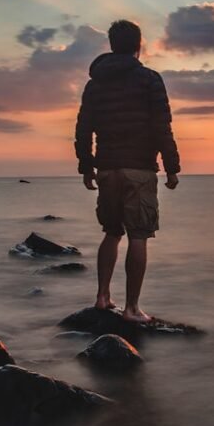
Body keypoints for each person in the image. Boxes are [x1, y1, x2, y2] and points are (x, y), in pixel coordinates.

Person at [74, 19, 181, 323]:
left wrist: (86, 165)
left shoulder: (95, 84)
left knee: (111, 232)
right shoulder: (149, 79)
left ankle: (102, 297)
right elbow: (162, 126)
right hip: (139, 169)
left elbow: (84, 128)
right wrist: (172, 168)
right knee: (138, 235)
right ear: (138, 45)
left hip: (107, 168)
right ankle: (132, 308)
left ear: (111, 45)